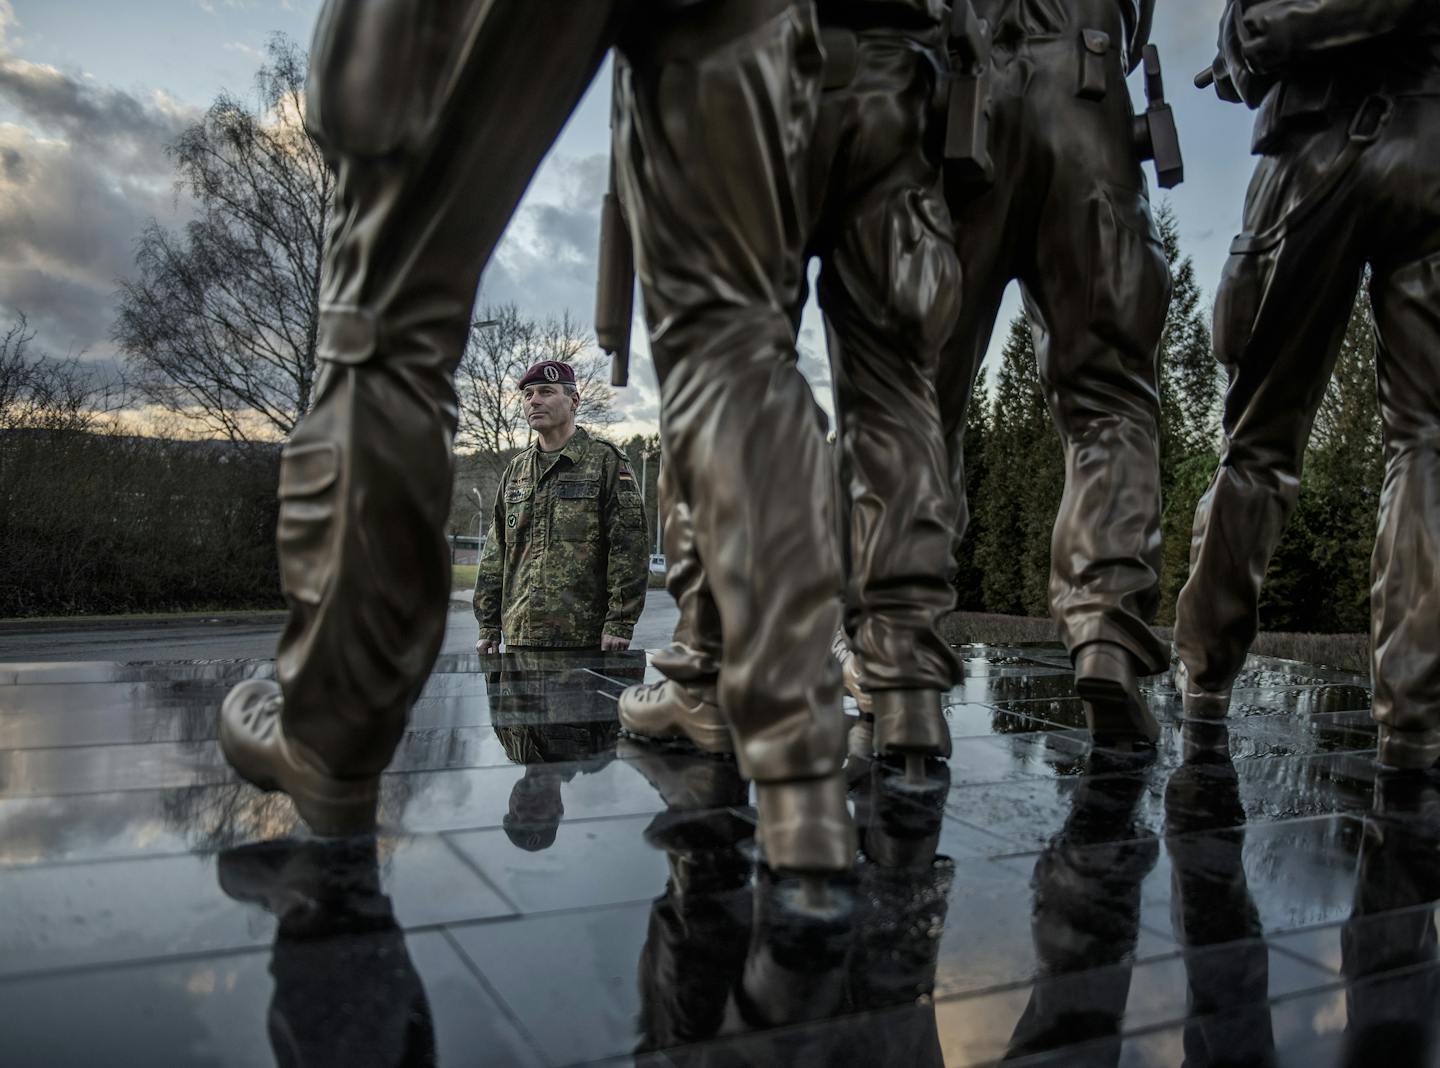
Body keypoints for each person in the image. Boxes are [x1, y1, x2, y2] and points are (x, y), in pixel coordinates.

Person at [616, 0, 964, 787]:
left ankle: (705, 675)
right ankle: (902, 676)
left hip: (753, 56)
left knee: (724, 364)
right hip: (898, 83)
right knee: (897, 392)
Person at [1174, 0, 1440, 776]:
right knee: (1426, 443)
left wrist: (1243, 48)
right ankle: (1417, 724)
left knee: (1258, 442)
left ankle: (1203, 683)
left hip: (1320, 149)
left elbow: (1266, 27)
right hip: (1429, 147)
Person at [938, 0, 1173, 750]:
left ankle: (895, 640)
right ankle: (1106, 623)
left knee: (914, 392)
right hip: (1089, 100)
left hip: (965, 103)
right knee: (1109, 396)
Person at [472, 359, 649, 653]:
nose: (534, 401)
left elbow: (629, 547)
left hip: (583, 641)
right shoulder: (516, 470)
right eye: (528, 395)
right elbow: (496, 551)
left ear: (574, 401)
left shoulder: (605, 461)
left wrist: (619, 622)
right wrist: (488, 625)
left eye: (546, 392)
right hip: (520, 638)